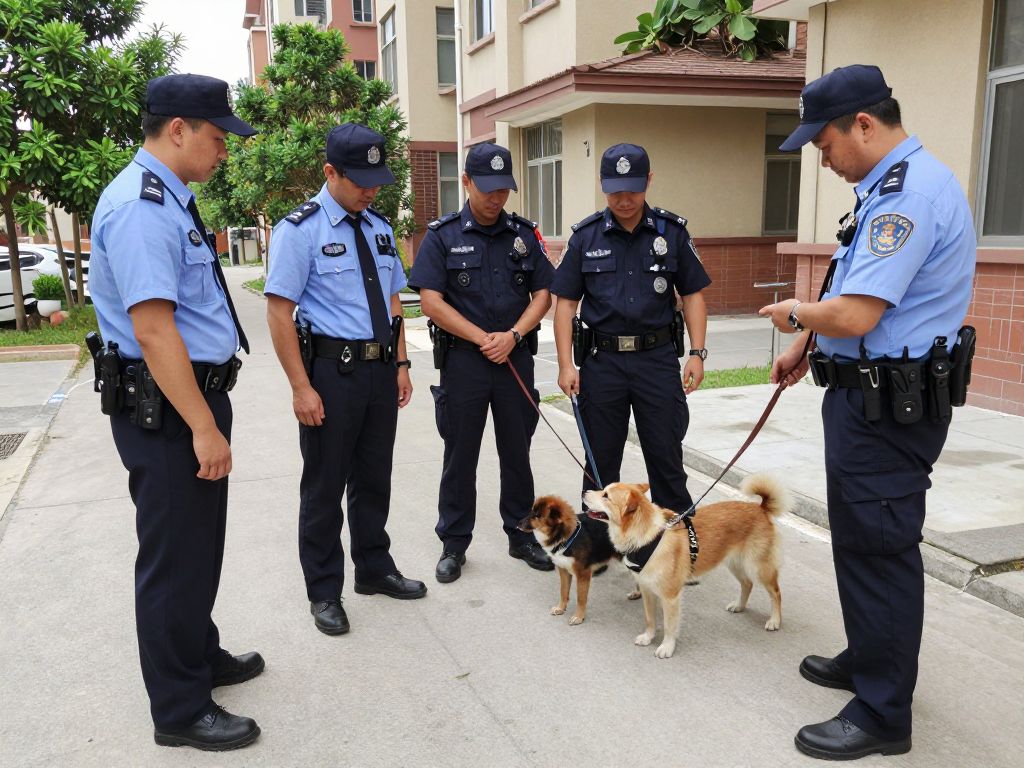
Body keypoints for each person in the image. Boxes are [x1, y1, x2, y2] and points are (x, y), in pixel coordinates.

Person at [759, 64, 976, 761]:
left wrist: (795, 312)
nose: (823, 161)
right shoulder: (885, 189)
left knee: (881, 549)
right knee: (858, 538)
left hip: (892, 409)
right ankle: (869, 656)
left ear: (864, 123)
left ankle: (884, 714)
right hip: (864, 398)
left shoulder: (908, 197)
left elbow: (855, 311)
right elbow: (858, 298)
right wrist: (805, 343)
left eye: (823, 146)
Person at [89, 74, 262, 751]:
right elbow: (155, 330)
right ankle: (179, 709)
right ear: (179, 130)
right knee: (172, 557)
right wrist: (203, 426)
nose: (225, 150)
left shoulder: (171, 199)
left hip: (187, 397)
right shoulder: (139, 206)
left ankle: (198, 655)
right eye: (218, 138)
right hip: (167, 408)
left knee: (198, 548)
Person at [265, 123, 426, 637]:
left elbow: (394, 300)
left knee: (374, 477)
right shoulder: (300, 230)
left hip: (380, 371)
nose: (371, 189)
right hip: (332, 374)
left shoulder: (378, 228)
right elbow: (279, 312)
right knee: (324, 483)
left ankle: (374, 569)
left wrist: (400, 363)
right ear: (330, 172)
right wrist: (300, 386)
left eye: (377, 179)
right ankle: (324, 590)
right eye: (360, 180)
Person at [409, 142, 555, 583]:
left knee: (517, 452)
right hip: (464, 363)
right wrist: (481, 339)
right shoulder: (443, 235)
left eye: (504, 189)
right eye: (487, 189)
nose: (496, 198)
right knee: (460, 456)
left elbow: (544, 294)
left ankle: (521, 534)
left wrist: (512, 336)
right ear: (467, 183)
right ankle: (454, 543)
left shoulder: (524, 235)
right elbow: (430, 301)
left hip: (514, 360)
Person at [551, 143, 710, 524]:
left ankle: (677, 543)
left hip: (655, 361)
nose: (624, 199)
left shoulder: (671, 233)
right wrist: (565, 364)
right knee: (601, 460)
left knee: (666, 456)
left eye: (633, 189)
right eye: (615, 190)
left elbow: (692, 295)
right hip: (602, 363)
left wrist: (697, 353)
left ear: (649, 181)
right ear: (602, 185)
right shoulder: (586, 237)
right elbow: (565, 305)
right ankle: (596, 545)